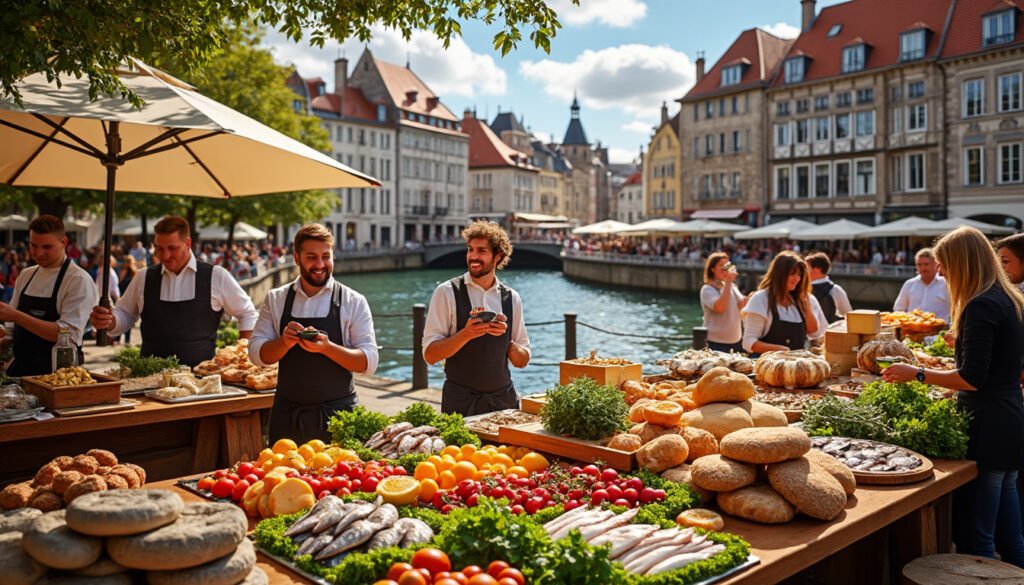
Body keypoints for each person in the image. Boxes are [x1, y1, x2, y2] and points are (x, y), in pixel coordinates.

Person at [882, 227, 1024, 567]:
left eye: (944, 264)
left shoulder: (980, 305)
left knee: (978, 537)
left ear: (962, 263)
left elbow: (972, 378)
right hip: (1009, 417)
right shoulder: (1007, 297)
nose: (941, 272)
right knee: (1010, 533)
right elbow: (1000, 370)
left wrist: (914, 373)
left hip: (987, 425)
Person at [249, 224, 378, 444]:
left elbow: (369, 363)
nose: (320, 265)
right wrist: (284, 342)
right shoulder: (276, 299)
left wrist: (328, 348)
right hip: (287, 415)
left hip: (339, 417)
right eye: (311, 257)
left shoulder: (353, 301)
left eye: (326, 257)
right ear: (297, 258)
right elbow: (256, 355)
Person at [90, 216, 259, 366]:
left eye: (172, 248)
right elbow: (125, 314)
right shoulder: (144, 277)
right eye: (160, 249)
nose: (165, 256)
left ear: (188, 243)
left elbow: (247, 312)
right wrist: (109, 321)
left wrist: (244, 353)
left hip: (202, 381)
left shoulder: (216, 276)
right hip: (149, 380)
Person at [423, 221, 530, 416]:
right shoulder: (446, 292)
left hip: (504, 403)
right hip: (461, 403)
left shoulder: (511, 298)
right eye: (470, 249)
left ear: (498, 256)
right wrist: (466, 334)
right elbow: (430, 355)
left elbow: (522, 361)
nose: (473, 256)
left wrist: (508, 343)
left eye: (482, 251)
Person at [0, 216, 97, 376]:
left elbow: (67, 335)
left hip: (58, 376)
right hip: (20, 371)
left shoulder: (77, 279)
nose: (38, 253)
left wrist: (16, 316)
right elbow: (10, 332)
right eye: (33, 245)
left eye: (47, 247)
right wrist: (5, 336)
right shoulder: (26, 275)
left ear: (64, 242)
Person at [741, 251, 820, 356]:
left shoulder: (798, 300)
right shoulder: (760, 299)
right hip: (768, 367)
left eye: (799, 275)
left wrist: (807, 308)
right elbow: (748, 343)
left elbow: (813, 332)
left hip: (796, 366)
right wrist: (782, 351)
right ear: (780, 274)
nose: (797, 278)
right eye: (792, 273)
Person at [699, 253, 746, 353]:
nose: (726, 269)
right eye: (722, 266)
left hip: (736, 342)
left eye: (727, 266)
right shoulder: (707, 289)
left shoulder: (732, 286)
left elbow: (742, 305)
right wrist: (728, 281)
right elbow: (720, 308)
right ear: (712, 269)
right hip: (715, 343)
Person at [893, 248, 950, 322]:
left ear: (935, 264)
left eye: (926, 264)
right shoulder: (909, 284)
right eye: (919, 265)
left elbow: (956, 309)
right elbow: (899, 309)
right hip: (913, 329)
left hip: (940, 330)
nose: (923, 268)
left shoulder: (946, 284)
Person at [806, 252, 852, 324]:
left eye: (807, 267)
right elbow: (849, 316)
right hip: (828, 332)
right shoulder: (836, 290)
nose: (804, 271)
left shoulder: (802, 289)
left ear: (817, 269)